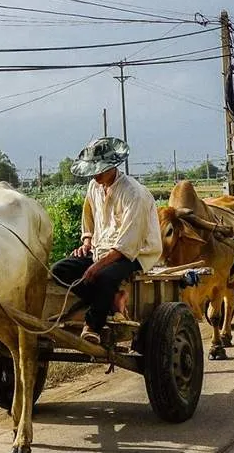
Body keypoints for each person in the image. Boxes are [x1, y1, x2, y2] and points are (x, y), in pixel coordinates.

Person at [50, 136, 162, 344]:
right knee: (59, 270)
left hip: (135, 253)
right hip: (100, 249)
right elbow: (89, 216)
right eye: (93, 170)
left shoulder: (133, 194)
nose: (96, 175)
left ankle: (92, 325)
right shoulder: (94, 187)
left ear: (113, 166)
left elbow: (127, 245)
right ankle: (111, 299)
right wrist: (86, 242)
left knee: (103, 276)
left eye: (100, 169)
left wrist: (97, 266)